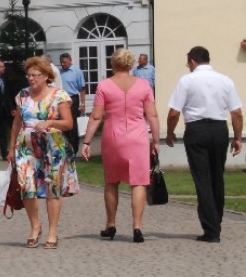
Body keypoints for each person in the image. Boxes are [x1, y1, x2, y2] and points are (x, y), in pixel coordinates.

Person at [80, 49, 160, 243]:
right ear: (131, 64)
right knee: (138, 182)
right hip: (138, 136)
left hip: (113, 136)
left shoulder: (104, 85)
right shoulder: (143, 85)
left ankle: (111, 223)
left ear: (113, 64)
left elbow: (96, 117)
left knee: (112, 181)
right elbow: (152, 115)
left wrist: (87, 141)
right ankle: (137, 226)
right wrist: (156, 141)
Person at [165, 46, 243, 242]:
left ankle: (211, 228)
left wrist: (170, 132)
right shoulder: (225, 80)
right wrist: (237, 137)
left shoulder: (186, 81)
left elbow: (174, 113)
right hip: (219, 129)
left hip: (196, 130)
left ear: (192, 61)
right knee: (217, 176)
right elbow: (236, 113)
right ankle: (217, 221)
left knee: (202, 178)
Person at [9, 56, 80, 249]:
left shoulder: (59, 95)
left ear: (46, 76)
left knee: (53, 189)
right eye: (29, 75)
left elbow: (68, 123)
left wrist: (50, 122)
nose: (31, 78)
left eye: (35, 75)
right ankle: (35, 227)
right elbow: (16, 124)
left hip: (53, 148)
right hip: (26, 147)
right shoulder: (22, 95)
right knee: (26, 186)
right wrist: (11, 148)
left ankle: (53, 232)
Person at [58, 53, 86, 152]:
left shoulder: (77, 72)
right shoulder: (60, 72)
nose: (62, 64)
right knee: (63, 123)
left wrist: (82, 103)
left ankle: (74, 148)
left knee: (72, 124)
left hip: (73, 99)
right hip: (62, 99)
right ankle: (65, 146)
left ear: (70, 61)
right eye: (61, 62)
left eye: (64, 62)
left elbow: (82, 89)